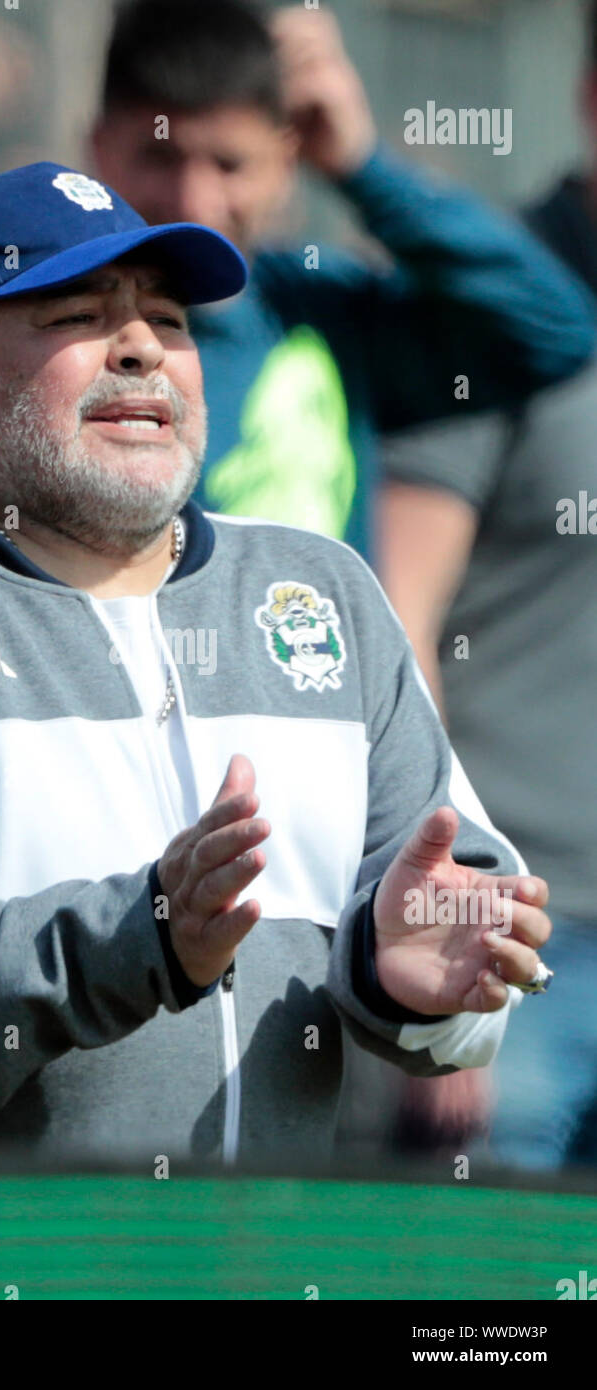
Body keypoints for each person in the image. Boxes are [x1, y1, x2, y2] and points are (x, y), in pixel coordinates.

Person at [0, 163, 552, 1165]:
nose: (141, 349)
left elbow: (457, 904)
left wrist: (406, 975)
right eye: (77, 314)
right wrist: (137, 940)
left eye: (169, 319)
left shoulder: (322, 595)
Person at [90, 0, 596, 559]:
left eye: (230, 164)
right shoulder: (54, 337)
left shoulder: (323, 310)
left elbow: (554, 331)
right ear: (98, 145)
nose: (193, 202)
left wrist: (361, 163)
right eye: (159, 157)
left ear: (286, 162)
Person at [377, 3, 597, 1172]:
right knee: (489, 1324)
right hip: (532, 941)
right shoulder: (498, 304)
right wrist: (467, 920)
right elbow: (403, 616)